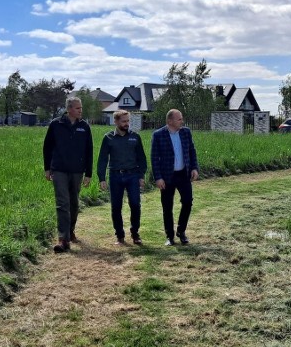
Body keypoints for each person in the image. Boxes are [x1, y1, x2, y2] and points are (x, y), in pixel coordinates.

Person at [43, 96, 93, 253]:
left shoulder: (84, 127)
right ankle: (63, 239)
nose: (80, 111)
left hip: (77, 171)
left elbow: (89, 150)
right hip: (59, 170)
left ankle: (70, 231)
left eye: (81, 108)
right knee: (62, 203)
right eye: (78, 108)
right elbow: (47, 147)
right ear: (69, 109)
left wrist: (88, 173)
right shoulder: (56, 124)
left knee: (73, 204)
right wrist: (47, 168)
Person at [97, 110, 147, 246]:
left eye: (128, 121)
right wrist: (102, 178)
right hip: (115, 176)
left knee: (135, 204)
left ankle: (135, 233)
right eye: (124, 121)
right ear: (116, 121)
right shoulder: (108, 138)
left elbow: (141, 158)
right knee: (116, 207)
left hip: (133, 175)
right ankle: (119, 236)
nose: (127, 124)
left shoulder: (135, 137)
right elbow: (102, 159)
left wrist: (141, 176)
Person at [151, 108, 198, 246]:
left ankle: (181, 232)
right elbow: (154, 158)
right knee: (167, 207)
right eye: (179, 119)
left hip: (183, 174)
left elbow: (192, 151)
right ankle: (170, 237)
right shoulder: (158, 135)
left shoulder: (186, 132)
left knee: (188, 202)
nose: (182, 121)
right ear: (169, 121)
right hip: (166, 176)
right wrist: (158, 177)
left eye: (181, 118)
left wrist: (194, 168)